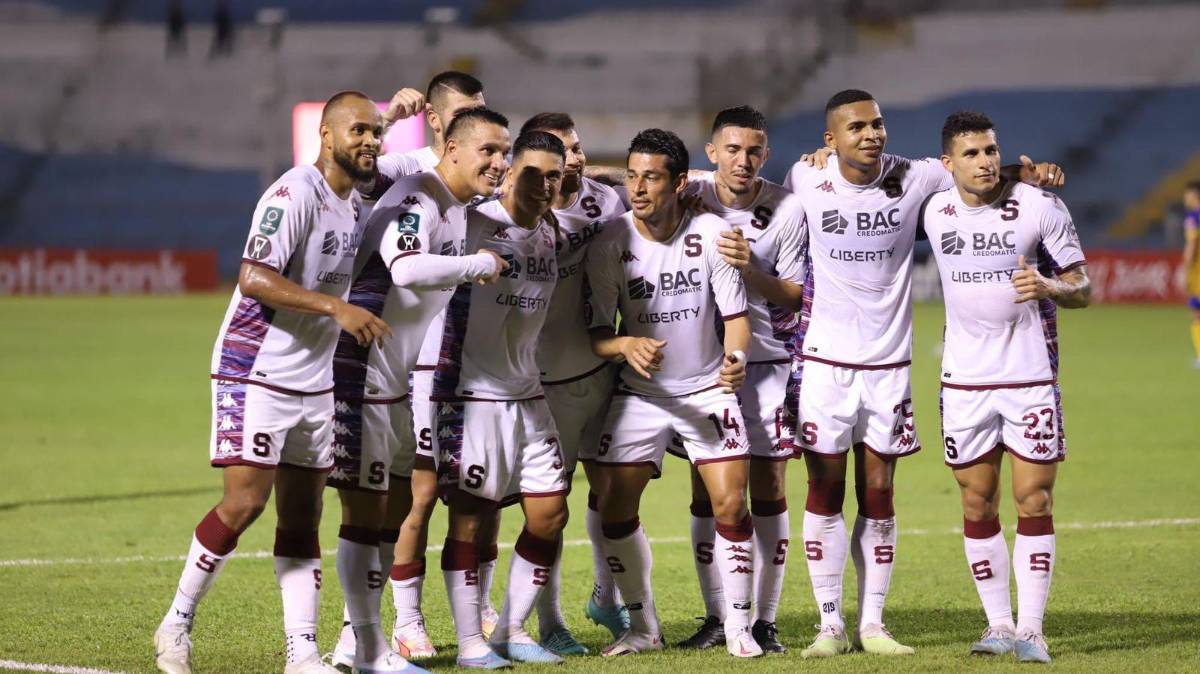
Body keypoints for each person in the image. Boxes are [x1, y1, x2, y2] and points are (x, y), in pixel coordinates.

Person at [783, 89, 1064, 659]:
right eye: (857, 126)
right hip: (823, 361)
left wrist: (1029, 171)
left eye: (879, 124)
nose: (872, 134)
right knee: (823, 489)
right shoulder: (803, 177)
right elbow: (725, 184)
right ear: (830, 138)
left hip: (889, 365)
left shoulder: (917, 178)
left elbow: (974, 173)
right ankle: (829, 624)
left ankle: (874, 625)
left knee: (882, 492)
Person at [153, 91, 391, 674]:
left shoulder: (353, 206)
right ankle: (177, 622)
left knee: (304, 518)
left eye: (377, 132)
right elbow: (255, 277)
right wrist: (336, 310)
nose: (370, 141)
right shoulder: (293, 194)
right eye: (358, 130)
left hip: (313, 380)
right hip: (256, 368)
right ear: (327, 136)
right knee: (246, 503)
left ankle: (301, 653)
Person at [326, 106, 511, 672]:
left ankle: (360, 642)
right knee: (366, 511)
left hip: (394, 379)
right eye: (489, 151)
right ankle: (360, 646)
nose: (499, 163)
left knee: (400, 502)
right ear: (451, 149)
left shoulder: (455, 210)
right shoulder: (416, 199)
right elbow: (405, 269)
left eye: (504, 152)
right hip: (360, 370)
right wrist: (478, 264)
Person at [921, 110, 1090, 664]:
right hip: (964, 380)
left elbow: (1082, 285)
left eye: (991, 150)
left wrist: (1047, 283)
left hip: (1029, 376)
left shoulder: (1041, 206)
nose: (986, 161)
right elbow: (871, 181)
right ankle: (997, 624)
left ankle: (1032, 630)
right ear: (948, 164)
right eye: (971, 154)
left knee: (1034, 498)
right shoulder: (933, 206)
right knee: (976, 500)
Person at [586, 129, 758, 658]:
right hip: (641, 394)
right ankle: (643, 627)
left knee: (730, 504)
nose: (638, 188)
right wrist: (625, 346)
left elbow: (736, 319)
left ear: (679, 182)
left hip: (707, 387)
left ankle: (738, 627)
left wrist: (737, 360)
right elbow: (597, 334)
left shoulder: (711, 233)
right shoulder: (610, 241)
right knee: (614, 509)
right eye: (632, 176)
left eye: (651, 177)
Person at [432, 130, 568, 668]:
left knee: (549, 514)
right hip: (472, 395)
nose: (544, 184)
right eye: (532, 172)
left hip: (528, 394)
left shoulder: (551, 231)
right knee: (470, 519)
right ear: (509, 171)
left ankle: (512, 629)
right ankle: (469, 645)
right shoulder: (473, 223)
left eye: (554, 176)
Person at [674, 105, 805, 654]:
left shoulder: (785, 208)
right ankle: (716, 617)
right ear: (712, 152)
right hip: (706, 370)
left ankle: (765, 621)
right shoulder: (691, 195)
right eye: (732, 149)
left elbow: (795, 294)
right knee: (708, 493)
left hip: (769, 367)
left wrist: (749, 267)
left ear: (766, 154)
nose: (743, 160)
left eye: (753, 150)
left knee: (769, 489)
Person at [517, 111, 630, 653]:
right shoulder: (512, 216)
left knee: (614, 493)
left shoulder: (603, 202)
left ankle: (606, 595)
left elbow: (645, 179)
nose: (578, 159)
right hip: (543, 386)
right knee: (548, 510)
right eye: (566, 153)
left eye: (581, 148)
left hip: (600, 372)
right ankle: (550, 622)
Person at [1182, 181, 1200, 367]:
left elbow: (1192, 243)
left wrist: (1185, 267)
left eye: (1187, 195)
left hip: (1198, 272)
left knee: (1196, 312)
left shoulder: (1193, 218)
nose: (1185, 198)